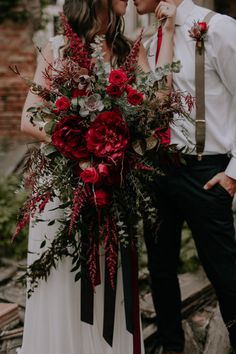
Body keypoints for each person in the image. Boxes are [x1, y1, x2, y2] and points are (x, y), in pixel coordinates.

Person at [18, 1, 176, 353]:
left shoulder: (126, 50)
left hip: (110, 186)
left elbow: (159, 102)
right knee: (63, 279)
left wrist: (167, 35)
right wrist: (78, 146)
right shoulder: (57, 48)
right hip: (64, 188)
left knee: (109, 277)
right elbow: (28, 118)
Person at [134, 0, 236, 353]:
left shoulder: (218, 28)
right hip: (157, 169)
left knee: (225, 273)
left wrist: (233, 173)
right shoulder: (150, 42)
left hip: (206, 170)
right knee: (160, 271)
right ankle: (171, 346)